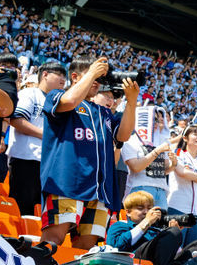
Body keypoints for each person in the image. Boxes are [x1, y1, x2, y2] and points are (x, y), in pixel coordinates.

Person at [41, 55, 138, 248]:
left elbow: (124, 135)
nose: (98, 81)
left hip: (100, 190)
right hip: (67, 183)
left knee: (85, 250)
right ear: (75, 77)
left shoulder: (105, 113)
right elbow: (69, 101)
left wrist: (132, 101)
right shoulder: (57, 96)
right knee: (54, 240)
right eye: (94, 75)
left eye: (100, 77)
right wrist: (93, 71)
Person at [6, 61, 66, 215]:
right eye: (59, 74)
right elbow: (17, 120)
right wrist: (47, 136)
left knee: (41, 211)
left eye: (64, 77)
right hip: (26, 159)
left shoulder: (59, 103)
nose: (63, 80)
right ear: (44, 74)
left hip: (48, 163)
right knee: (22, 208)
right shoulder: (30, 93)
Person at [105, 190, 183, 265]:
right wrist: (146, 222)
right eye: (140, 208)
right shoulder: (120, 225)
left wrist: (174, 237)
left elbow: (175, 255)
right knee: (173, 232)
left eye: (149, 209)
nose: (146, 212)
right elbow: (116, 247)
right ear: (128, 212)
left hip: (162, 263)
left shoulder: (156, 230)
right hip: (134, 262)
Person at [166, 123, 197, 245]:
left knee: (192, 251)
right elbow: (182, 173)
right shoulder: (178, 153)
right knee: (174, 247)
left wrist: (192, 175)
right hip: (177, 208)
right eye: (195, 134)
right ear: (185, 138)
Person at [0, 51, 20, 184]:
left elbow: (6, 114)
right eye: (3, 65)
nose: (7, 68)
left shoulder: (7, 84)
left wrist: (2, 137)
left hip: (2, 139)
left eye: (11, 66)